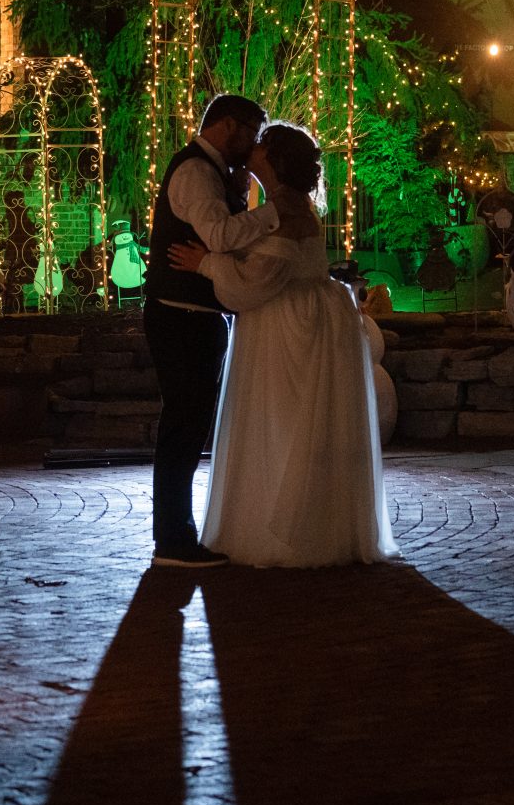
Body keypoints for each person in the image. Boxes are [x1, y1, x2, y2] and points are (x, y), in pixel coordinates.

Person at [165, 121, 397, 568]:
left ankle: (286, 532)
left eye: (261, 145)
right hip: (297, 319)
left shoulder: (287, 209)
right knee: (286, 425)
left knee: (284, 424)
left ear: (273, 159)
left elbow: (256, 282)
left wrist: (206, 264)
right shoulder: (279, 204)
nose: (251, 149)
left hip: (289, 326)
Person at [141, 92, 274, 567]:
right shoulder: (196, 172)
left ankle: (177, 535)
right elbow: (218, 237)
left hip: (194, 316)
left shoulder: (214, 173)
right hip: (181, 317)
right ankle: (172, 542)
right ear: (229, 126)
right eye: (252, 131)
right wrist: (274, 211)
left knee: (189, 427)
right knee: (182, 427)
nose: (254, 141)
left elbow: (219, 232)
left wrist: (239, 194)